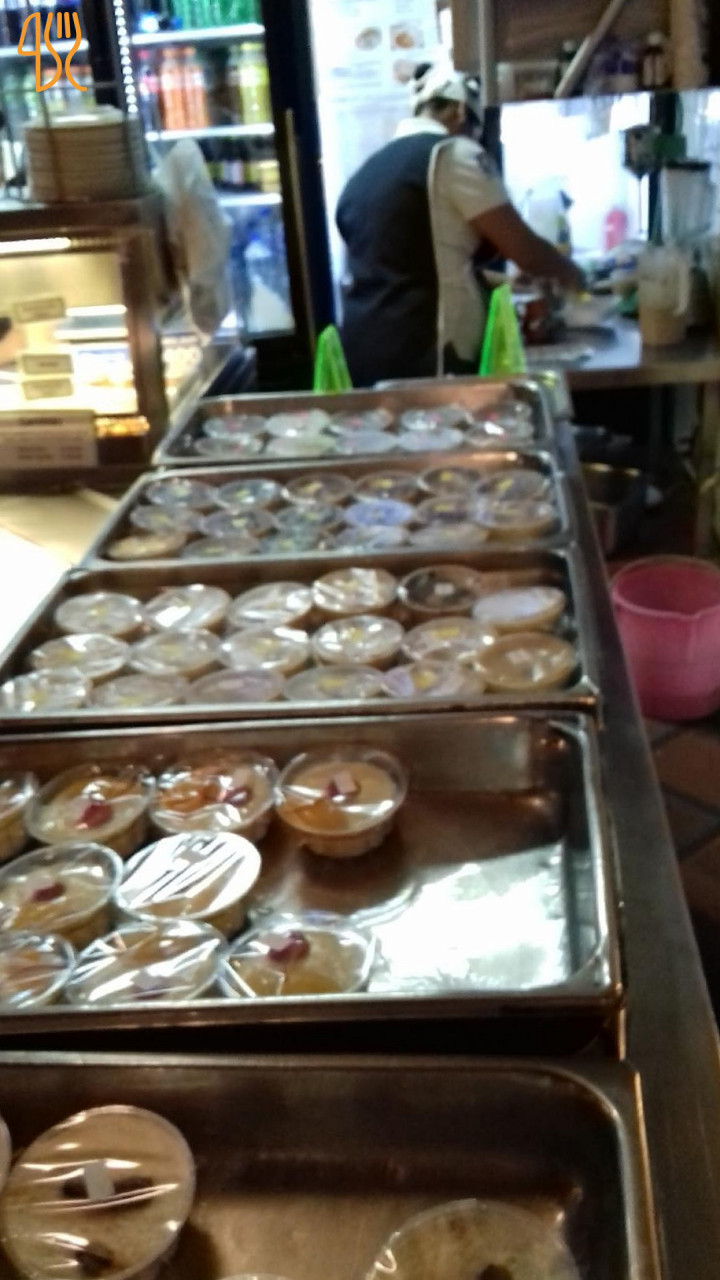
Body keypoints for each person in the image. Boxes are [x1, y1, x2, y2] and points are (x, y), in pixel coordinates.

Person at [336, 64, 585, 387]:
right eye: (476, 127)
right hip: (428, 357)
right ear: (460, 111)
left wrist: (504, 283)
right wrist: (577, 279)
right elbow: (526, 252)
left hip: (364, 355)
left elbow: (413, 266)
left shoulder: (368, 172)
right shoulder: (452, 153)